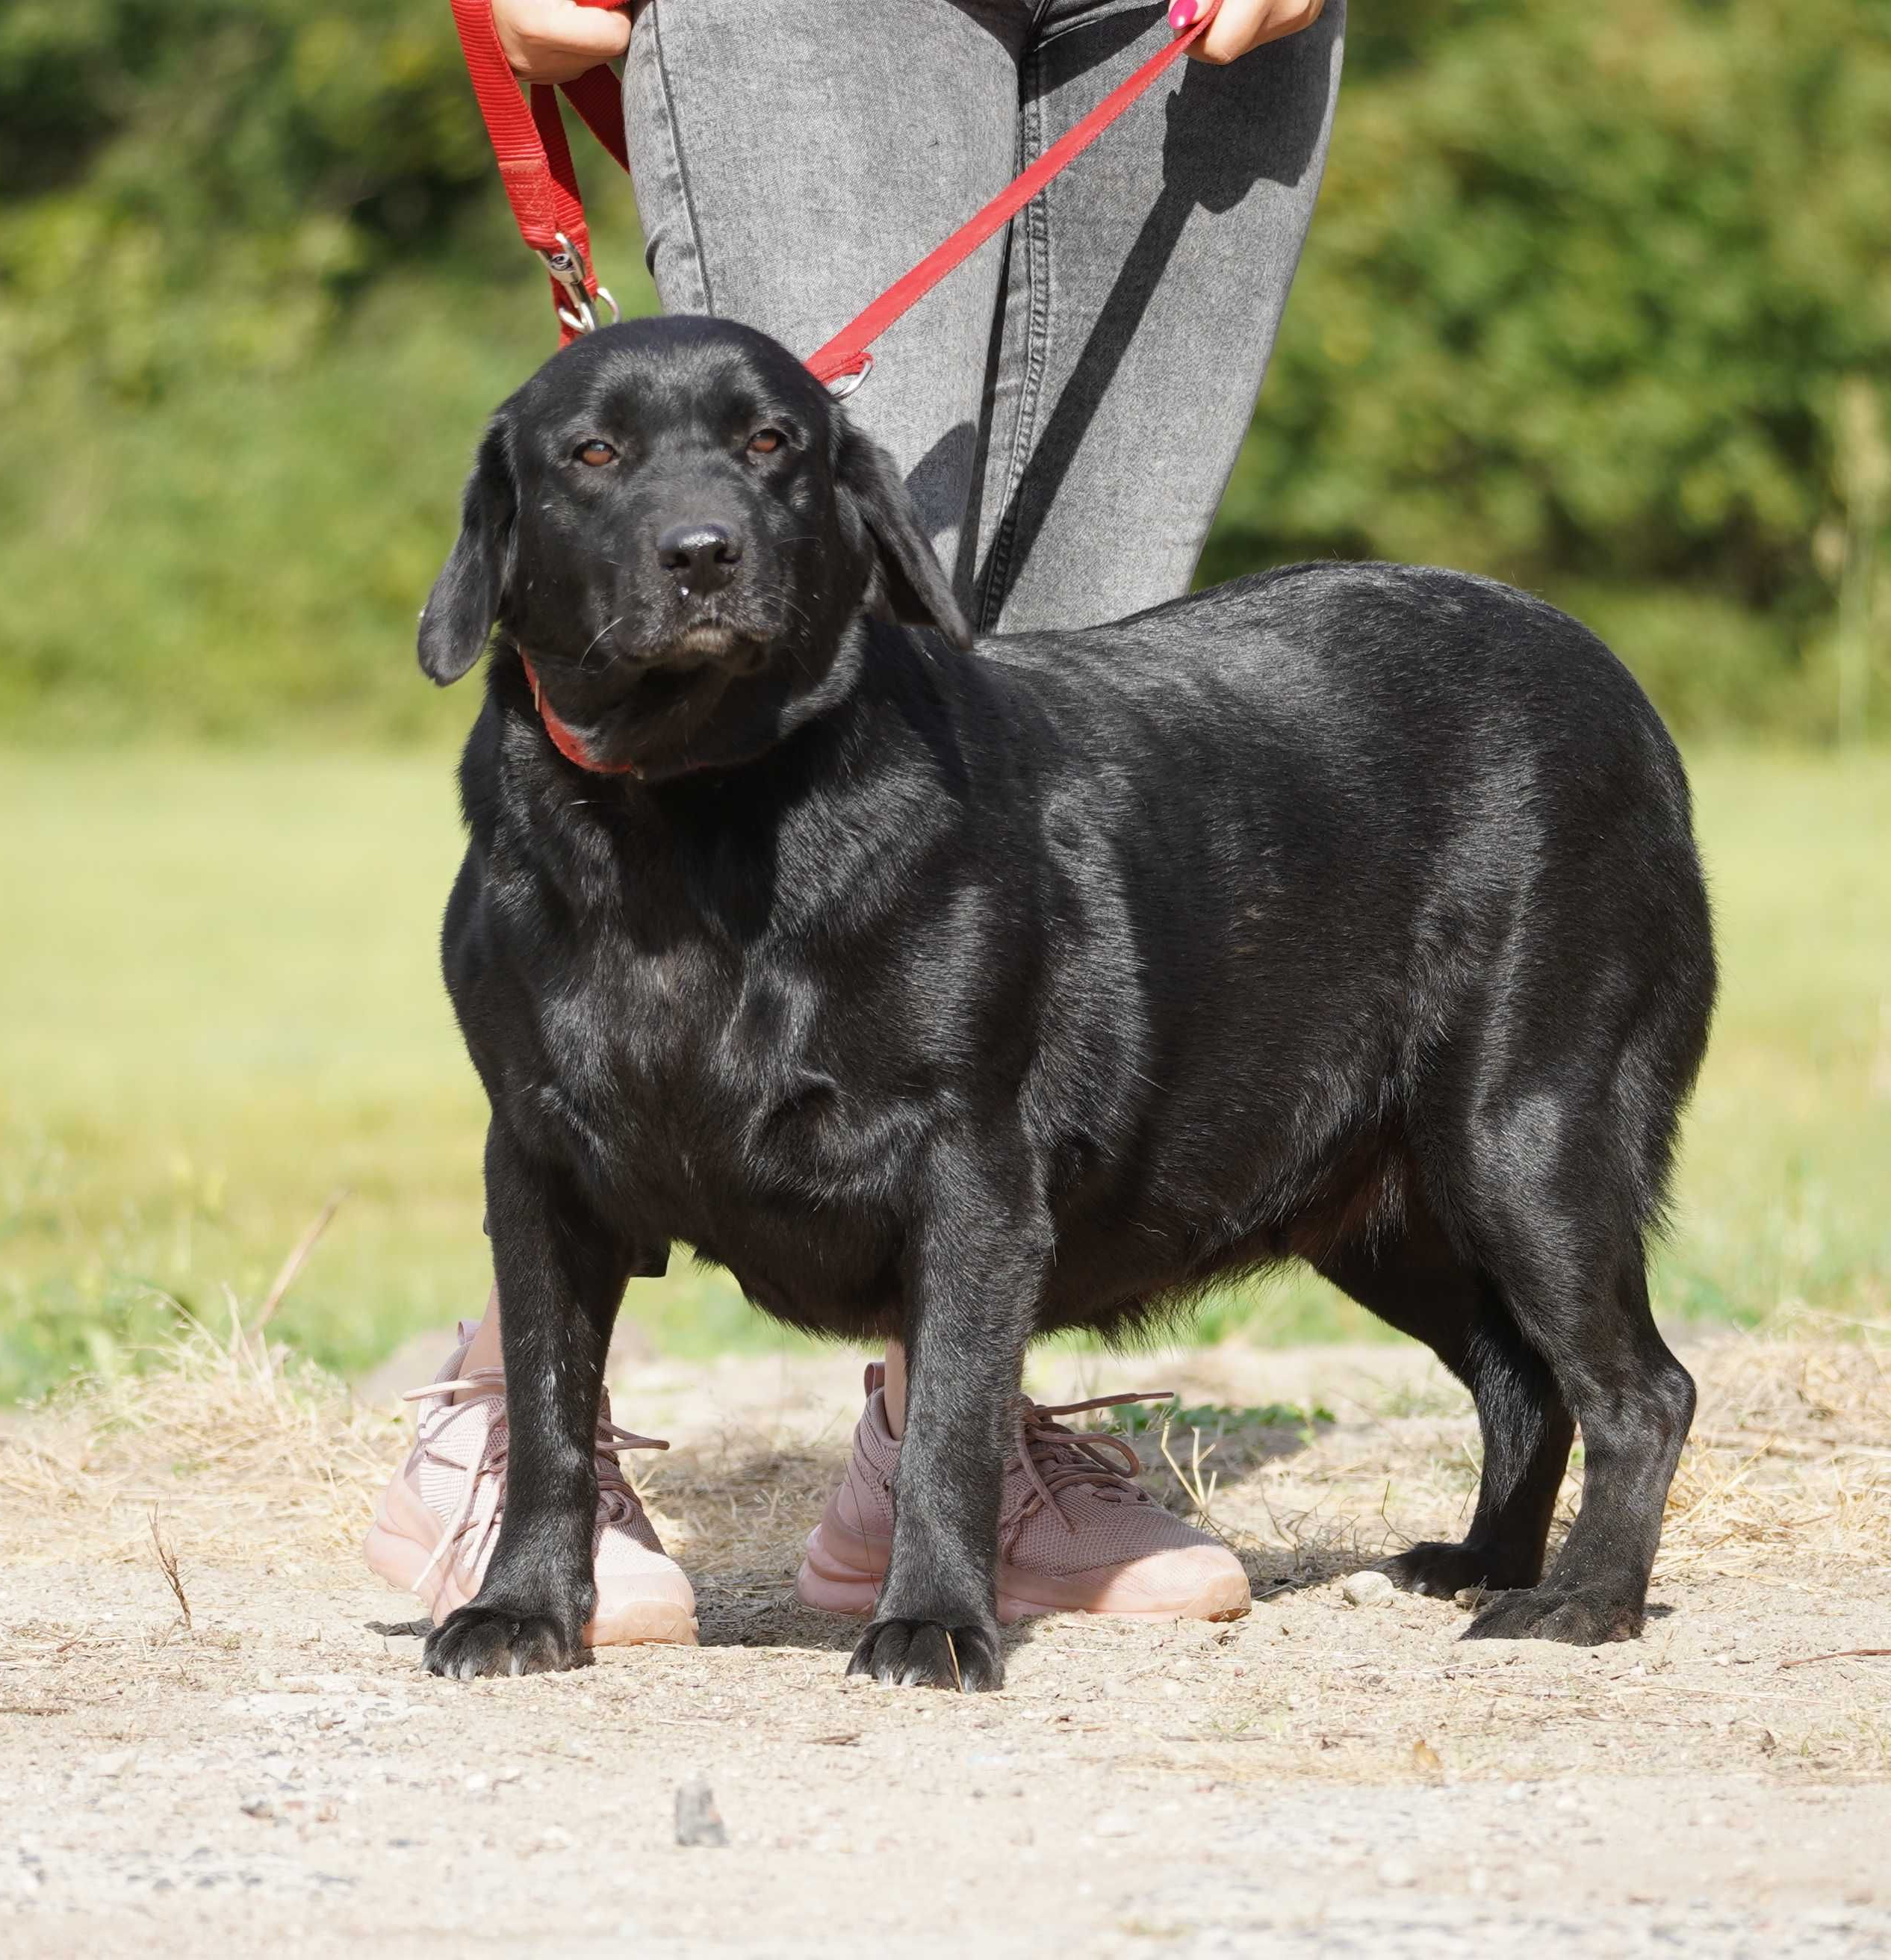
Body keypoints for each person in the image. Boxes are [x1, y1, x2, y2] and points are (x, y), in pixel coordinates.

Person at [364, 0, 1345, 1647]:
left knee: (1060, 694)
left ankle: (948, 1439)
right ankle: (518, 1430)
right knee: (736, 600)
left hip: (1180, 26)